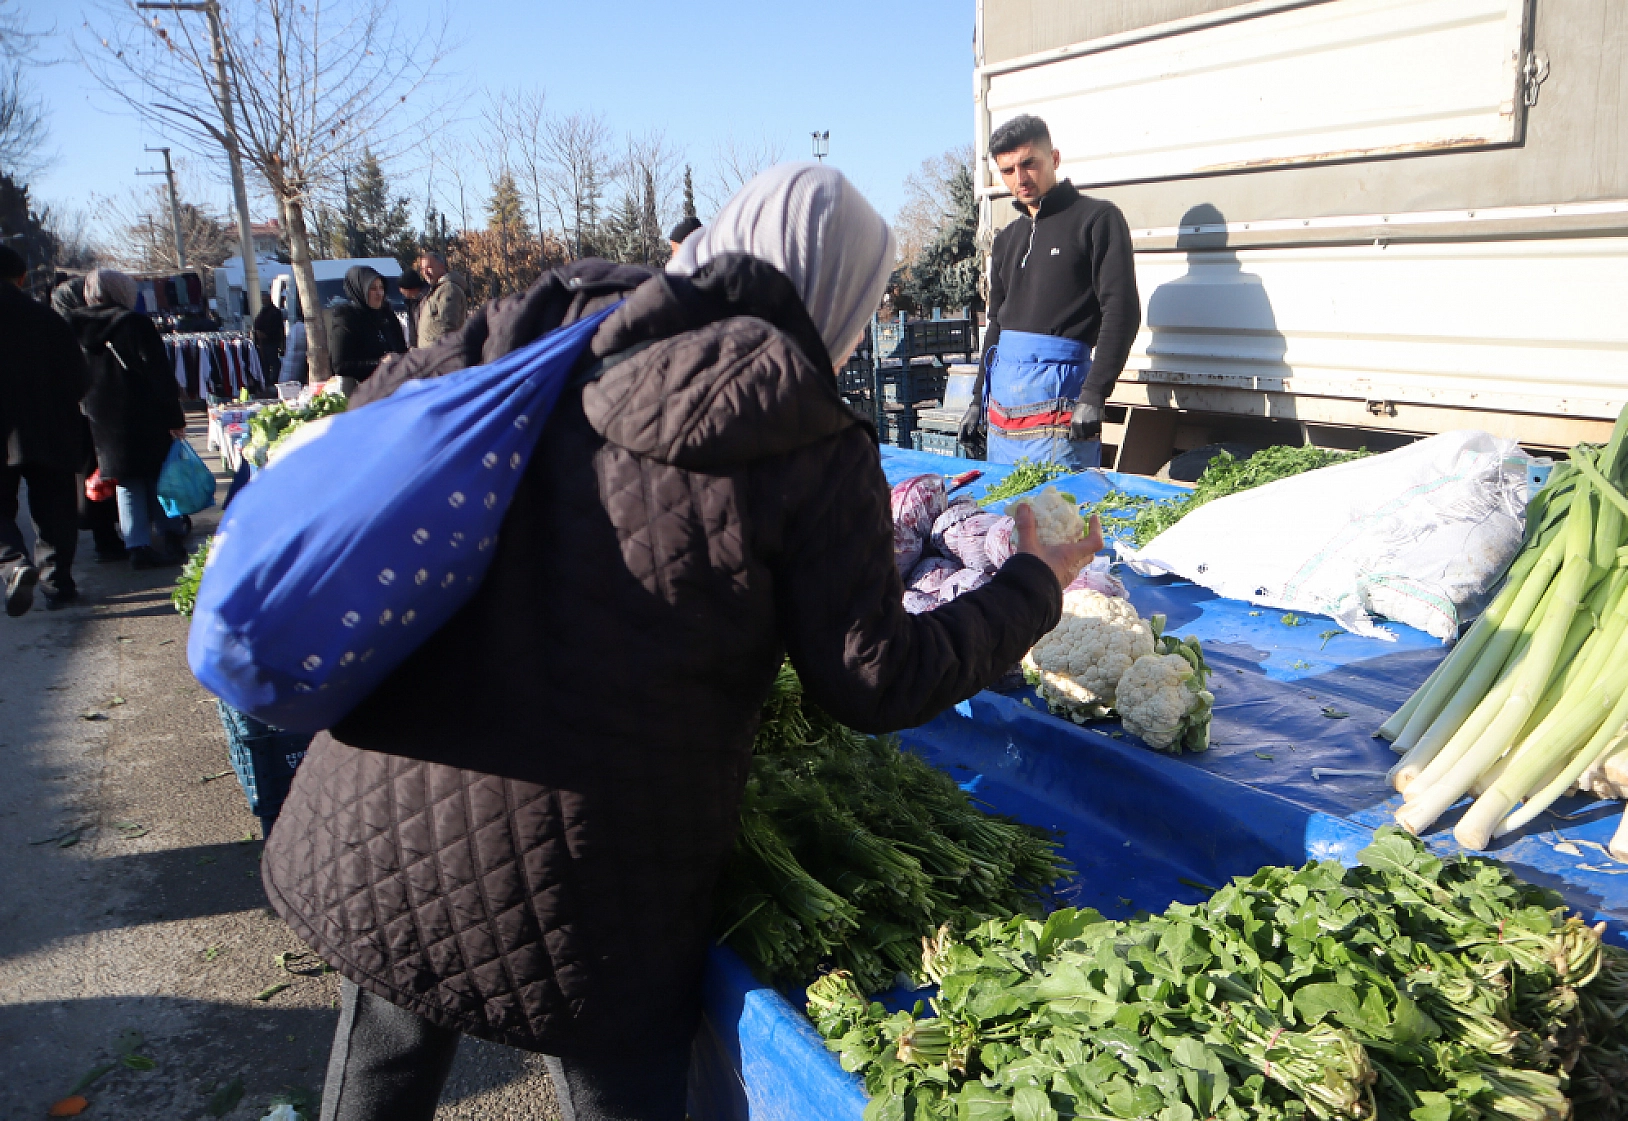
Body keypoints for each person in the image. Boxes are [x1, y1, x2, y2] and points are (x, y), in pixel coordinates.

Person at [261, 163, 1100, 1121]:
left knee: (379, 1057)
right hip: (586, 865)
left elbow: (369, 428)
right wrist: (1036, 580)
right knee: (620, 1078)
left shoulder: (555, 319)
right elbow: (875, 678)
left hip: (395, 794)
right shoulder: (810, 437)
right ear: (834, 295)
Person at [960, 113, 1142, 469]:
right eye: (1008, 170)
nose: (1020, 178)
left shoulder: (1097, 219)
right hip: (1003, 404)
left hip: (1061, 398)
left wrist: (1094, 392)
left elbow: (1121, 311)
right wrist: (977, 399)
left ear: (1054, 159)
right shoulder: (1007, 239)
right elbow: (996, 323)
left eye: (1029, 164)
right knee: (1006, 509)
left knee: (1060, 512)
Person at [71, 268, 189, 570]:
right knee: (159, 476)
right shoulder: (134, 323)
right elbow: (158, 373)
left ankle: (136, 546)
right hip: (143, 412)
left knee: (125, 480)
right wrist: (174, 416)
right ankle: (170, 535)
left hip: (101, 418)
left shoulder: (73, 325)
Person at [0, 247, 91, 615]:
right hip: (51, 427)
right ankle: (57, 582)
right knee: (55, 508)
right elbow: (79, 377)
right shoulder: (49, 320)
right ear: (21, 278)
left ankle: (12, 562)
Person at [50, 279, 127, 563]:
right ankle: (113, 535)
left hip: (72, 417)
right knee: (106, 473)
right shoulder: (101, 327)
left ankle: (103, 536)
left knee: (88, 477)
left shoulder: (57, 332)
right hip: (100, 412)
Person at [326, 266, 407, 385]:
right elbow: (340, 365)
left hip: (395, 385)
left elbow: (401, 349)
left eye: (381, 288)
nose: (379, 294)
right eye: (373, 289)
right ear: (360, 290)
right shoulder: (347, 318)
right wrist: (379, 363)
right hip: (365, 391)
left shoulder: (387, 315)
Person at [414, 250, 467, 348]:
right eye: (422, 269)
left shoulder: (448, 289)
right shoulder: (434, 291)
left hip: (440, 356)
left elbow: (447, 326)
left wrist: (437, 352)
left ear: (441, 267)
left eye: (429, 268)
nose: (425, 272)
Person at [253, 287, 287, 385]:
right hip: (263, 342)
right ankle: (267, 381)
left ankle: (274, 380)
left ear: (269, 298)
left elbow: (277, 328)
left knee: (273, 361)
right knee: (265, 363)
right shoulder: (263, 311)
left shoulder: (275, 312)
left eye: (265, 298)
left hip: (271, 341)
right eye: (262, 299)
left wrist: (265, 335)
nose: (264, 300)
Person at [395, 268, 427, 350]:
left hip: (424, 348)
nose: (401, 293)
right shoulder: (412, 302)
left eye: (402, 290)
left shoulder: (425, 302)